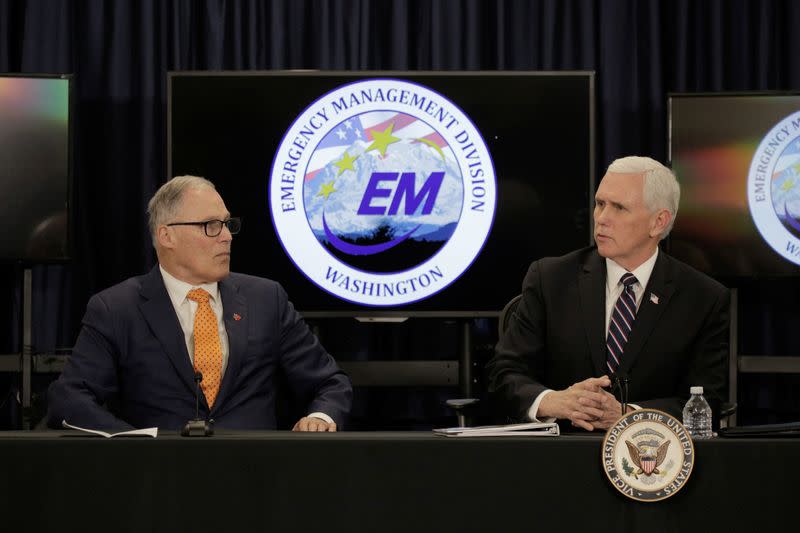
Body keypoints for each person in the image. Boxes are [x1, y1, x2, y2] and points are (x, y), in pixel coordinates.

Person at [48, 175, 352, 432]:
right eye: (210, 226)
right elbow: (70, 399)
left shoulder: (266, 299)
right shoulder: (116, 308)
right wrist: (135, 445)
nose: (226, 237)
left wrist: (320, 416)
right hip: (160, 482)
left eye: (227, 224)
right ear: (167, 236)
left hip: (256, 479)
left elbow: (329, 382)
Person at [487, 156, 729, 431]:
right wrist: (554, 402)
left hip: (652, 460)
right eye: (600, 204)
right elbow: (503, 375)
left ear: (659, 222)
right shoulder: (551, 279)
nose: (602, 219)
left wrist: (629, 415)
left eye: (619, 208)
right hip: (560, 454)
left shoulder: (702, 297)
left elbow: (708, 399)